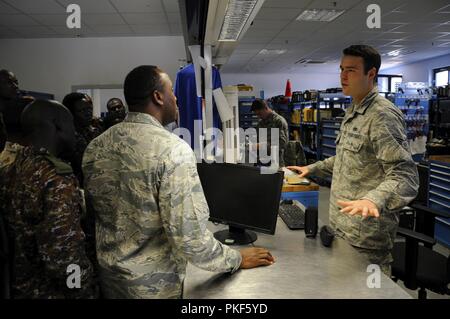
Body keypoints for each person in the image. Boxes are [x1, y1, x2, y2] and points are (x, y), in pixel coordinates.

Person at [82, 65, 275, 299]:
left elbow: (94, 221)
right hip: (154, 288)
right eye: (172, 91)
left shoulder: (95, 147)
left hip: (109, 283)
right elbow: (190, 238)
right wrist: (236, 258)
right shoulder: (173, 150)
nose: (176, 98)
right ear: (158, 97)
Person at [288, 45, 419, 275]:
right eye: (341, 69)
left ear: (371, 74)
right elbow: (348, 157)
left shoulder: (382, 115)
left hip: (366, 235)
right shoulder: (353, 109)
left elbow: (405, 176)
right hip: (341, 227)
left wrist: (373, 200)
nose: (343, 76)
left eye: (351, 70)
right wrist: (312, 168)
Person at [0, 99, 96, 298]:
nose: (74, 133)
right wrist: (83, 290)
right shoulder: (55, 177)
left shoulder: (12, 167)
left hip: (20, 287)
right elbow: (65, 257)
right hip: (52, 292)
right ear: (58, 127)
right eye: (71, 126)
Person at [62, 92, 102, 186]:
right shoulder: (66, 138)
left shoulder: (94, 131)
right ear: (70, 113)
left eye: (89, 109)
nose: (88, 113)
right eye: (82, 110)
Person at [251, 98, 288, 167]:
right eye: (257, 114)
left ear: (266, 108)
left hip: (275, 163)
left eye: (259, 113)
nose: (258, 116)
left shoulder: (278, 121)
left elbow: (282, 143)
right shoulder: (261, 123)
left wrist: (263, 145)